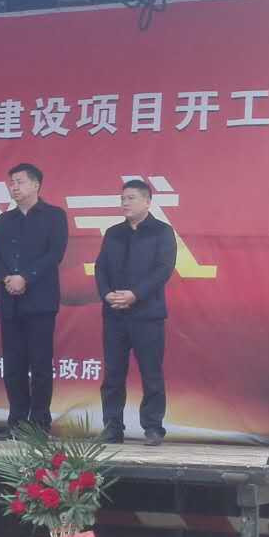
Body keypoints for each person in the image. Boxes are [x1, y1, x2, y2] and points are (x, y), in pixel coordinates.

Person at [0, 162, 68, 439]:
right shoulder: (4, 220)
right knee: (13, 366)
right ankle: (17, 423)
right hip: (10, 301)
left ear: (36, 185)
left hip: (40, 302)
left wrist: (26, 278)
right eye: (11, 183)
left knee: (40, 365)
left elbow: (55, 253)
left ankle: (39, 424)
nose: (14, 187)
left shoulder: (54, 216)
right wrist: (7, 278)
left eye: (19, 182)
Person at [95, 179, 178, 446]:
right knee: (113, 375)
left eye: (131, 198)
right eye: (123, 198)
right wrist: (106, 293)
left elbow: (163, 269)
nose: (125, 203)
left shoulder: (162, 231)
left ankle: (153, 428)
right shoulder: (113, 233)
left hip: (147, 315)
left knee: (151, 374)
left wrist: (135, 294)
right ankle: (112, 428)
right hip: (114, 314)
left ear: (147, 201)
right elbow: (100, 267)